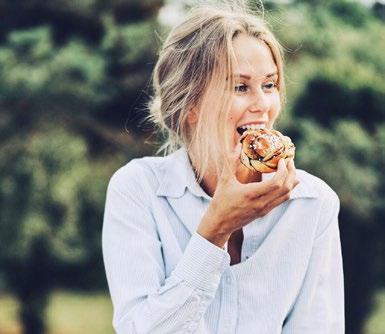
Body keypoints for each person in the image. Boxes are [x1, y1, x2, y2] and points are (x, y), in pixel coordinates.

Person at [102, 2, 344, 333]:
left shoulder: (313, 204)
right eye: (240, 87)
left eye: (270, 85)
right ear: (190, 105)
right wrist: (214, 231)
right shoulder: (139, 191)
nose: (263, 105)